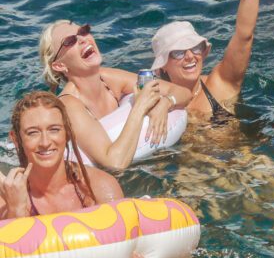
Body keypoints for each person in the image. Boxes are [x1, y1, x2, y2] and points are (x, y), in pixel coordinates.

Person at [1, 91, 163, 258]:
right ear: (16, 139)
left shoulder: (100, 188)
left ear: (67, 133)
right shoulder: (8, 199)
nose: (45, 142)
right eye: (32, 132)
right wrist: (16, 210)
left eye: (54, 129)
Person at [39, 21, 191, 170]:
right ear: (60, 65)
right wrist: (140, 107)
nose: (83, 39)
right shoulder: (69, 105)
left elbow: (182, 92)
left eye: (83, 31)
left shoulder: (109, 79)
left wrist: (166, 102)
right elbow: (114, 163)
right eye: (70, 41)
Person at [151, 0, 268, 122]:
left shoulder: (220, 84)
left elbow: (244, 36)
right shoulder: (155, 103)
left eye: (195, 48)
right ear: (162, 66)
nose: (190, 56)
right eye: (179, 52)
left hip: (241, 150)